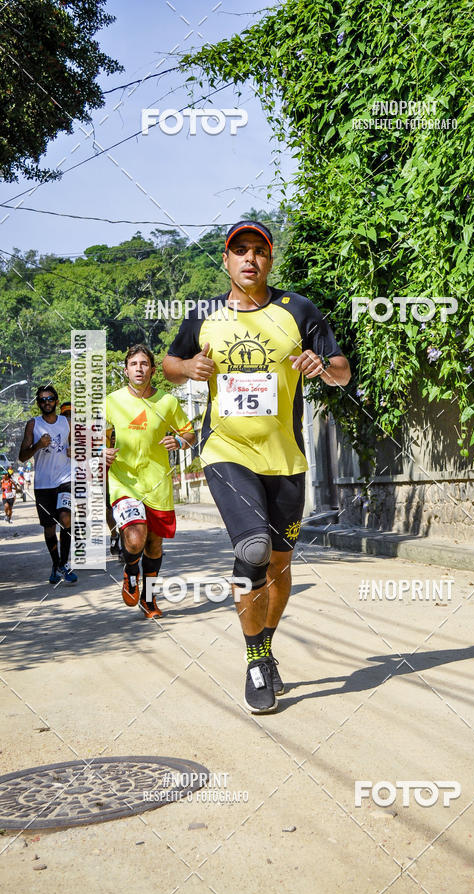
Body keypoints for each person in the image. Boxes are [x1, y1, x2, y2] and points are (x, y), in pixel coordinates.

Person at [162, 220, 351, 713]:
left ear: (270, 260)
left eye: (259, 251)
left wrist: (320, 365)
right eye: (239, 250)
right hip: (226, 452)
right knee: (252, 548)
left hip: (286, 458)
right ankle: (253, 660)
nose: (250, 258)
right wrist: (189, 369)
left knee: (279, 564)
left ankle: (266, 648)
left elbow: (342, 371)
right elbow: (169, 362)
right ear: (225, 261)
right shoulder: (203, 316)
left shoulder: (299, 310)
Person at [105, 344, 195, 618]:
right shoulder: (110, 401)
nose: (139, 368)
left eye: (144, 364)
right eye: (134, 364)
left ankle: (149, 598)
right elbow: (87, 437)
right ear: (126, 370)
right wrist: (101, 450)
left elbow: (190, 434)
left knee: (154, 545)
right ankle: (131, 571)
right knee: (134, 539)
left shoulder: (167, 402)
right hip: (124, 482)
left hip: (158, 484)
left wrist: (179, 440)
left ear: (153, 370)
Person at [19, 385, 77, 584]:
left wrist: (74, 451)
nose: (47, 402)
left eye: (50, 398)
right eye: (43, 400)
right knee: (50, 528)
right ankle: (56, 564)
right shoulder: (32, 425)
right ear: (38, 403)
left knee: (66, 519)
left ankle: (64, 563)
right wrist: (37, 445)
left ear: (56, 401)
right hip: (43, 484)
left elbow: (81, 447)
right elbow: (21, 456)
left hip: (65, 480)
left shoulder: (68, 422)